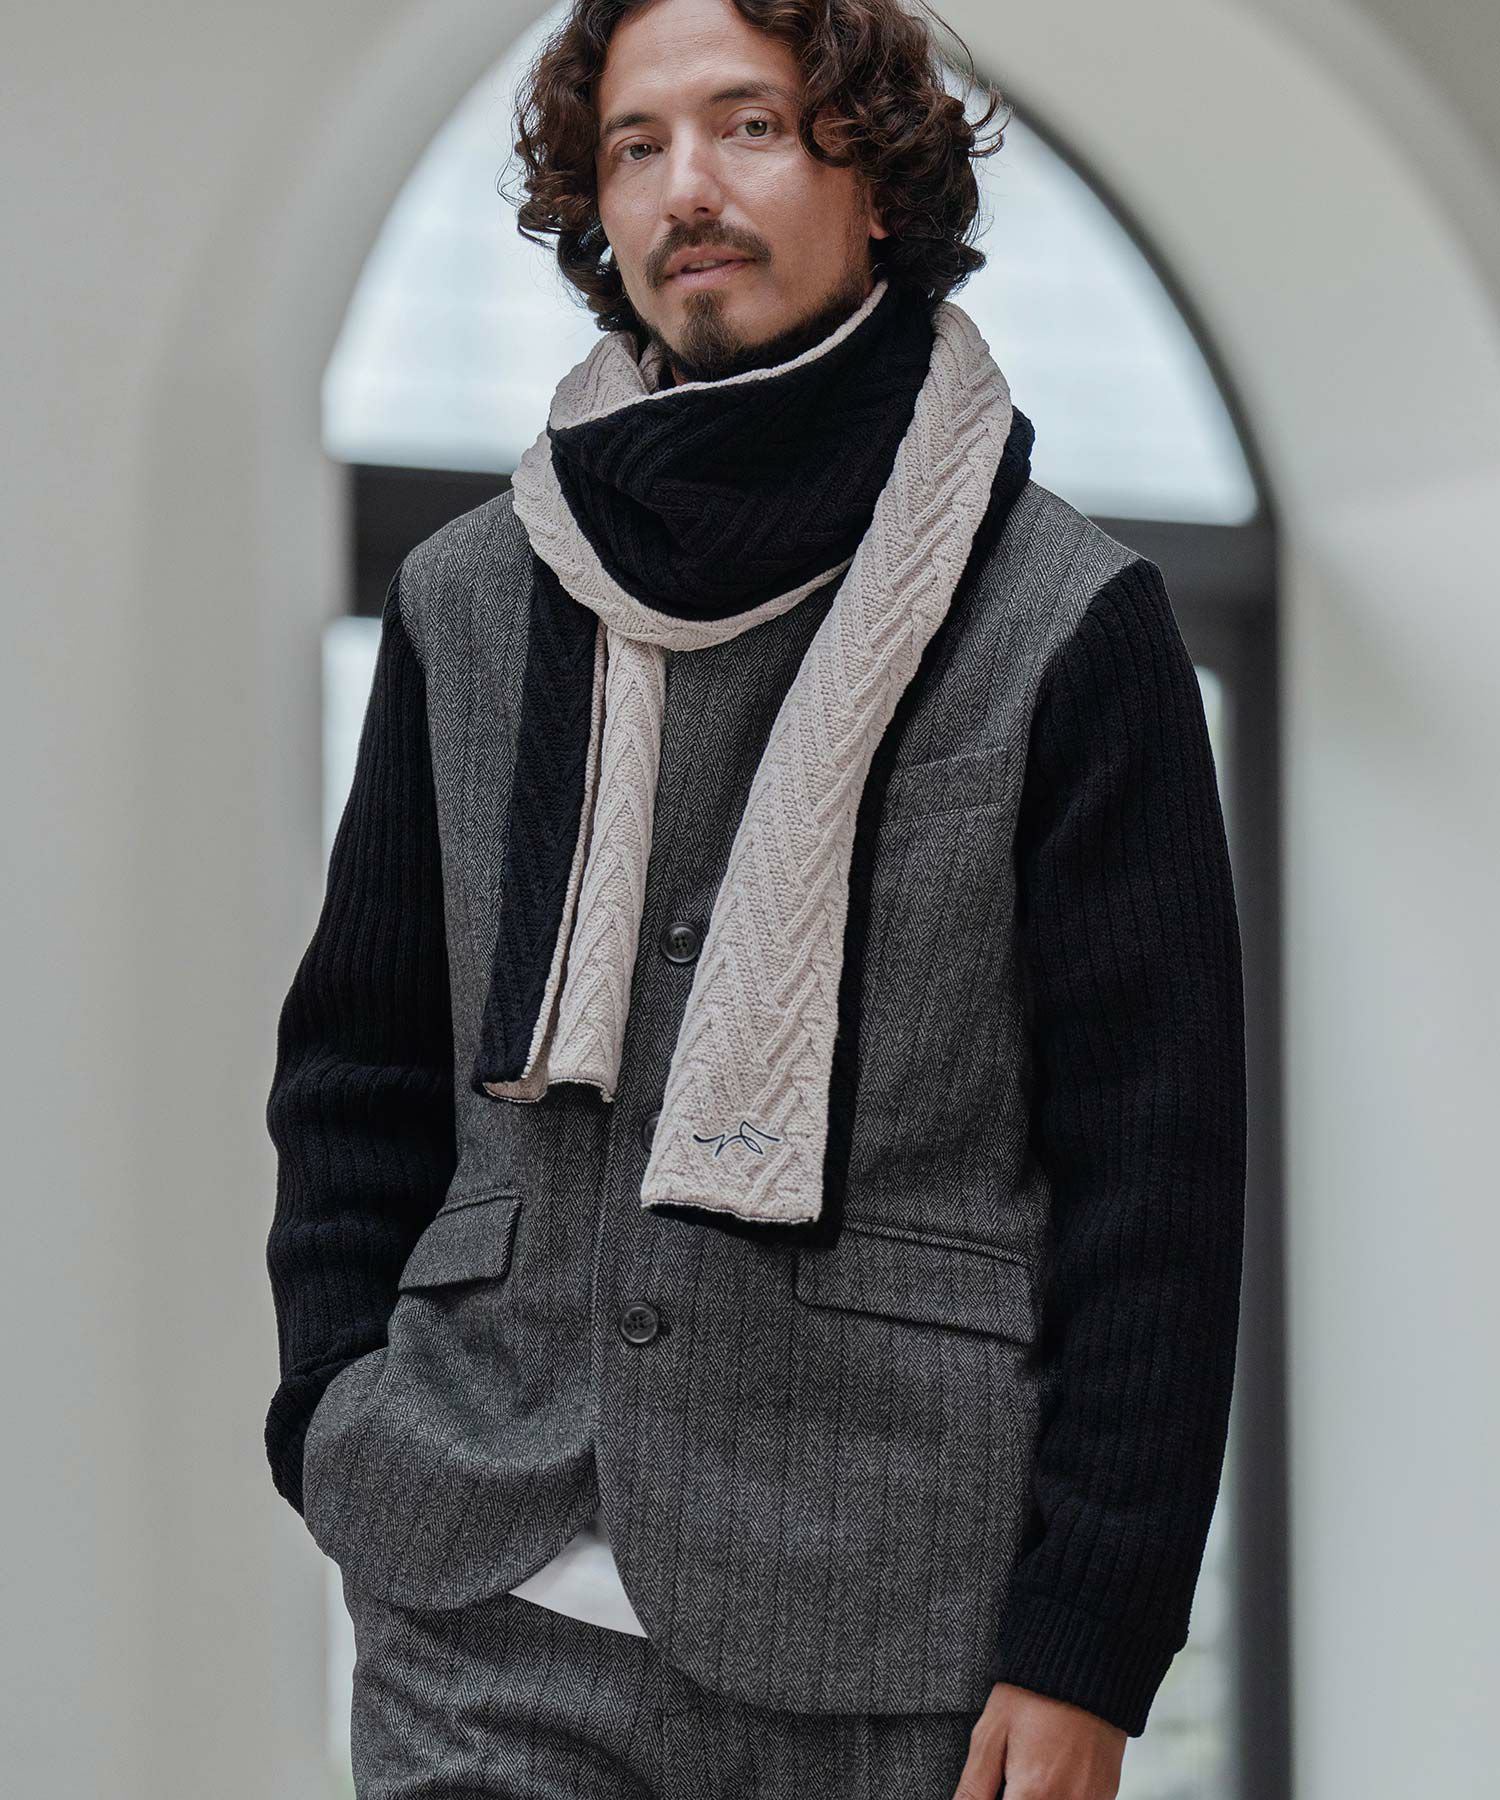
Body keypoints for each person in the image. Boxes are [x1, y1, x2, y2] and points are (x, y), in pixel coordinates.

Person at [263, 1, 1247, 1795]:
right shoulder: (469, 597)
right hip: (478, 1600)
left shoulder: (1067, 623)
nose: (685, 189)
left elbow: (1157, 1176)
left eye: (751, 127)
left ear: (879, 181)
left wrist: (1094, 1635)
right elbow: (356, 1065)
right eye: (635, 146)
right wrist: (334, 1412)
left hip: (891, 1627)